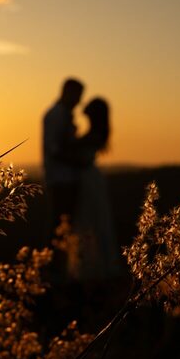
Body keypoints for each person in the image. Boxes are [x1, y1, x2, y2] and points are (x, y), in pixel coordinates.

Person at [67, 97, 122, 281]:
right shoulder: (96, 133)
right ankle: (93, 268)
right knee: (91, 220)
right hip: (89, 178)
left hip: (88, 180)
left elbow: (78, 157)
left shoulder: (94, 135)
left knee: (91, 220)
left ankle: (93, 269)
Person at [42, 77, 84, 238]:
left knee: (66, 224)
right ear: (68, 92)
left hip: (66, 178)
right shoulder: (55, 115)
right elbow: (53, 149)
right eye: (77, 96)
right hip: (60, 179)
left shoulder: (63, 114)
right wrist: (77, 161)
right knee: (60, 225)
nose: (79, 101)